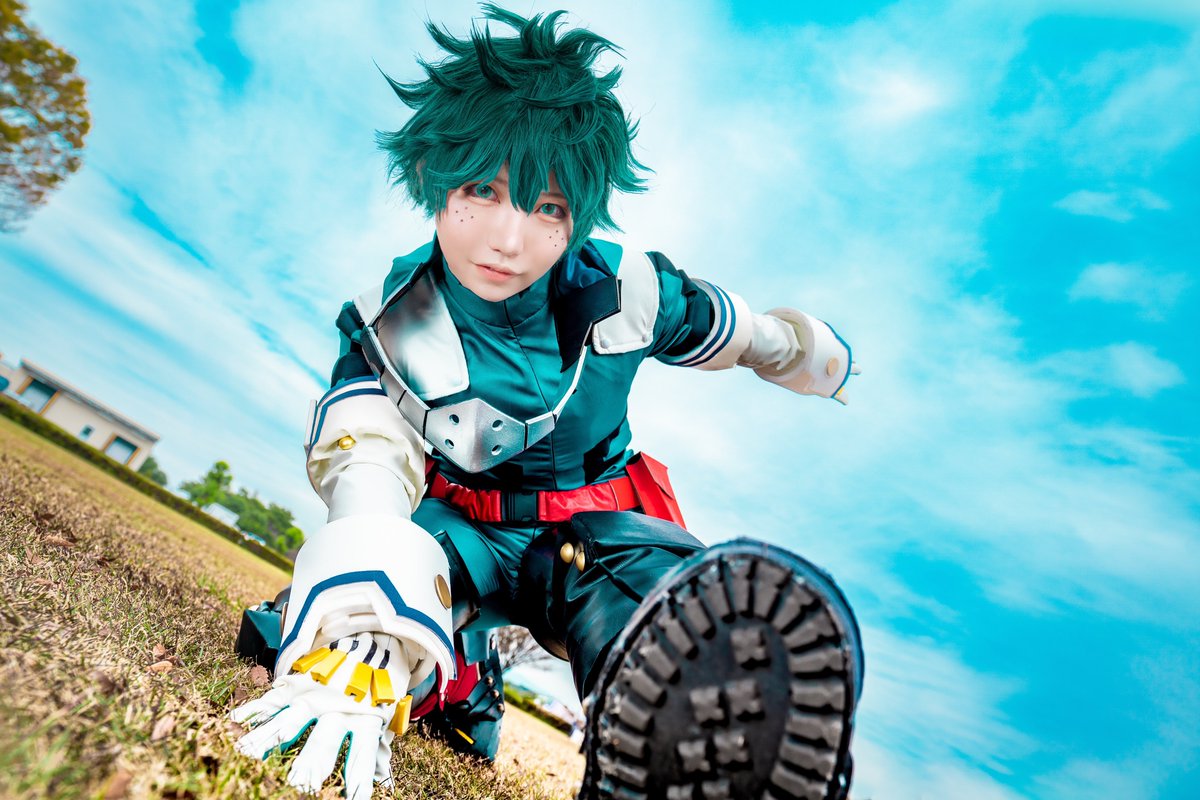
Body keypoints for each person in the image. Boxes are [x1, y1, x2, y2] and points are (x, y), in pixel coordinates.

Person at [230, 6, 864, 799]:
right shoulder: (394, 321)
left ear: (578, 217)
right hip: (458, 528)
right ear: (436, 177)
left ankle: (674, 752)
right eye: (482, 191)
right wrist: (363, 614)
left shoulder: (627, 290)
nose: (508, 238)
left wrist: (812, 355)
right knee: (331, 632)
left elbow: (734, 331)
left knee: (658, 605)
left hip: (592, 535)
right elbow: (367, 462)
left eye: (548, 208)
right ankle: (461, 675)